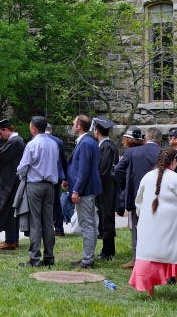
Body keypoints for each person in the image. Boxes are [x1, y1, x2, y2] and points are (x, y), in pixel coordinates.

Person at [129, 147, 177, 300]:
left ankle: (150, 293)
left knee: (149, 257)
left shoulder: (147, 177)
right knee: (175, 257)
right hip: (171, 226)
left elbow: (138, 201)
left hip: (149, 225)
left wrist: (143, 215)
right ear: (174, 161)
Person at [16, 115, 60, 267]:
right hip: (50, 185)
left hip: (35, 184)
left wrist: (22, 176)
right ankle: (49, 257)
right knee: (48, 221)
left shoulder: (32, 144)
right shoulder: (54, 144)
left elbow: (23, 166)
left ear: (33, 128)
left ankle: (34, 258)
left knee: (35, 222)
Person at [115, 126, 162, 268]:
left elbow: (118, 170)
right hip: (158, 196)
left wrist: (126, 184)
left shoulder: (132, 152)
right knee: (157, 228)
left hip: (136, 195)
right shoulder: (163, 153)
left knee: (136, 228)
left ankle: (137, 259)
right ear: (160, 140)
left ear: (146, 138)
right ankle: (155, 258)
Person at [65, 114, 102, 269]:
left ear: (79, 126)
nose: (72, 125)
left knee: (87, 224)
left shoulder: (85, 143)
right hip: (87, 189)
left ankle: (87, 260)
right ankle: (88, 257)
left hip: (85, 191)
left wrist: (76, 190)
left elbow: (84, 170)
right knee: (90, 223)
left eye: (74, 123)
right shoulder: (89, 141)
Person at [0, 118, 25, 250]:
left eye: (1, 133)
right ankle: (12, 240)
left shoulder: (14, 141)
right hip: (12, 181)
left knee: (9, 211)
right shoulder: (16, 141)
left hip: (10, 183)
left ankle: (11, 241)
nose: (1, 136)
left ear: (6, 130)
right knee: (11, 211)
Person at [94, 116, 119, 260]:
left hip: (106, 186)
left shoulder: (107, 146)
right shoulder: (104, 145)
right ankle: (106, 248)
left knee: (107, 217)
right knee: (104, 216)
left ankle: (108, 251)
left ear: (96, 131)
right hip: (105, 186)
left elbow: (103, 170)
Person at [45, 124, 68, 237]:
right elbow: (64, 161)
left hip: (42, 176)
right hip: (56, 175)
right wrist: (66, 178)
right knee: (56, 202)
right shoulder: (58, 141)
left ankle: (44, 228)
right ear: (51, 130)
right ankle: (59, 228)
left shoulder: (36, 140)